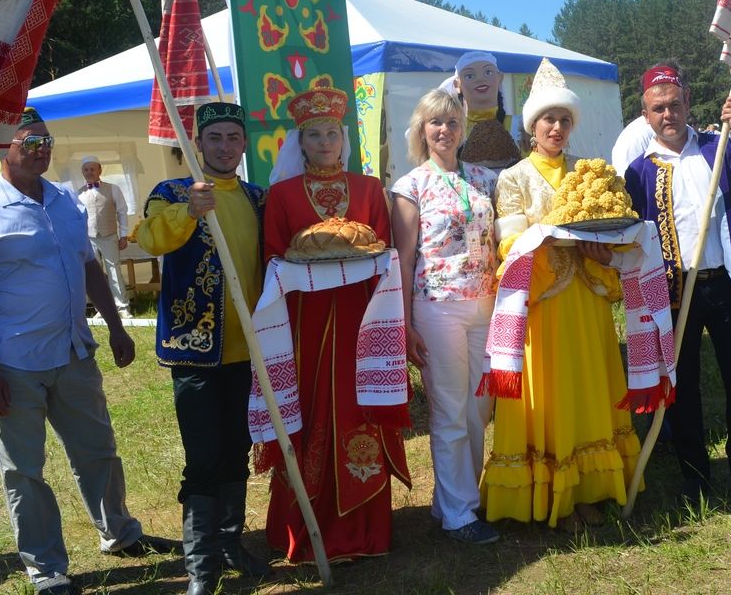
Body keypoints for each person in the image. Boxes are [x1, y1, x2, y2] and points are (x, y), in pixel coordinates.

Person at [0, 108, 171, 595]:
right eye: (30, 142)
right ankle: (47, 569)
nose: (40, 150)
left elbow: (89, 267)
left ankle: (121, 534)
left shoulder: (66, 202)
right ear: (4, 147)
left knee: (99, 452)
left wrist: (116, 327)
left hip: (73, 356)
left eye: (46, 141)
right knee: (25, 472)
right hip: (14, 366)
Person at [482, 58, 641, 528]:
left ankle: (588, 486)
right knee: (550, 393)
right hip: (543, 300)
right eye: (548, 119)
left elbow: (616, 224)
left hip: (586, 297)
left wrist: (602, 242)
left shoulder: (589, 170)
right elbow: (510, 244)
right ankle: (552, 488)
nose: (556, 127)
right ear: (533, 126)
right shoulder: (513, 177)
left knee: (588, 385)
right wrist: (550, 235)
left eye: (564, 120)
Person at [263, 82, 410, 562]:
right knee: (306, 407)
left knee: (357, 404)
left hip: (360, 319)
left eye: (333, 133)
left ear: (343, 138)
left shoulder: (369, 190)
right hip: (304, 321)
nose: (326, 142)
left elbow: (384, 251)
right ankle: (306, 525)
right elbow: (272, 258)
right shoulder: (282, 195)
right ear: (299, 142)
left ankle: (364, 528)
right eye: (315, 134)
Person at [624, 64, 731, 506]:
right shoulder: (639, 171)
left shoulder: (720, 146)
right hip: (676, 292)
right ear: (645, 113)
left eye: (674, 105)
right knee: (683, 387)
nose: (668, 114)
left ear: (688, 102)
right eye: (658, 109)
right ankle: (695, 478)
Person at [136, 102, 267, 595]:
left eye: (234, 137)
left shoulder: (256, 198)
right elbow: (150, 239)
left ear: (243, 144)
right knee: (204, 457)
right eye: (216, 139)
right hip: (195, 351)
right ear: (198, 144)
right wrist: (188, 210)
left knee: (238, 450)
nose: (226, 146)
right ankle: (201, 569)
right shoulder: (172, 193)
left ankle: (231, 544)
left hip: (248, 350)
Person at [390, 90, 500, 546]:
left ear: (463, 129)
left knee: (480, 409)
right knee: (450, 409)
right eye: (435, 122)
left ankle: (450, 498)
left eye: (453, 122)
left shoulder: (485, 178)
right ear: (422, 130)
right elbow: (403, 256)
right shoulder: (409, 186)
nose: (445, 130)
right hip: (437, 308)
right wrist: (404, 322)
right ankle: (460, 512)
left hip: (486, 305)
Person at [76, 156, 132, 317]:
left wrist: (124, 235)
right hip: (89, 238)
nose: (89, 172)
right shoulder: (78, 193)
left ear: (100, 170)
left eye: (92, 169)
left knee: (114, 271)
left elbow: (122, 211)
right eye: (86, 170)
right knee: (95, 275)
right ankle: (102, 309)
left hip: (109, 236)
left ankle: (122, 307)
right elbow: (76, 218)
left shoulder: (113, 189)